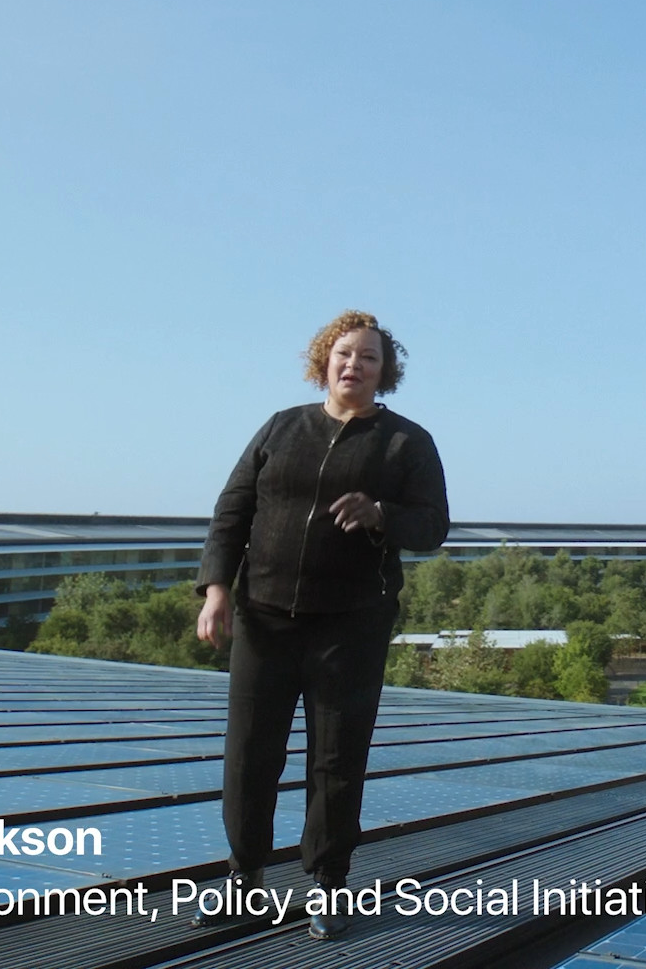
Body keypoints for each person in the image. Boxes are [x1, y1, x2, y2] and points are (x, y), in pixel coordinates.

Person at [191, 309, 448, 940]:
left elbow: (432, 527)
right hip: (265, 618)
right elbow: (232, 512)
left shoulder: (405, 442)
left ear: (385, 372)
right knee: (250, 755)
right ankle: (242, 877)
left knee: (336, 759)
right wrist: (217, 590)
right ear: (323, 362)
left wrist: (382, 511)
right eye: (343, 354)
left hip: (351, 625)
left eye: (368, 357)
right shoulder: (282, 427)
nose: (353, 365)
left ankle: (329, 885)